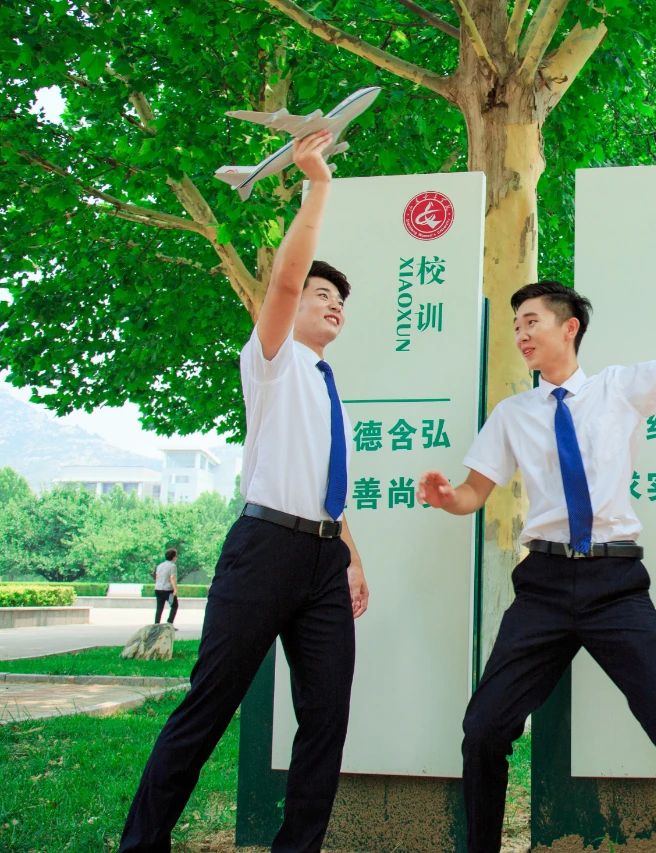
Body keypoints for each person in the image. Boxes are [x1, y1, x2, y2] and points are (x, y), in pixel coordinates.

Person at [416, 203, 656, 852]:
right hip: (543, 585)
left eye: (531, 321)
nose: (521, 334)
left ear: (568, 327)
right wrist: (445, 496)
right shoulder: (512, 414)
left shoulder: (621, 388)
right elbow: (473, 493)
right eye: (516, 325)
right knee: (483, 729)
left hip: (615, 583)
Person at [120, 130, 370, 853]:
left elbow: (328, 488)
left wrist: (353, 557)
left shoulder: (328, 384)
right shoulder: (272, 360)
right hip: (263, 549)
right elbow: (285, 282)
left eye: (341, 300)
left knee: (326, 718)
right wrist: (317, 187)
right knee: (209, 705)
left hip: (323, 559)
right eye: (322, 294)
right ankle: (143, 842)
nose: (333, 304)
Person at [153, 548, 179, 625]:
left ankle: (156, 624)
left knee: (159, 608)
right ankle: (169, 623)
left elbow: (157, 577)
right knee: (174, 606)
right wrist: (175, 589)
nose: (176, 557)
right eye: (176, 556)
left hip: (158, 589)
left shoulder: (160, 565)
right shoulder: (172, 566)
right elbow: (172, 577)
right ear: (173, 557)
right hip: (168, 591)